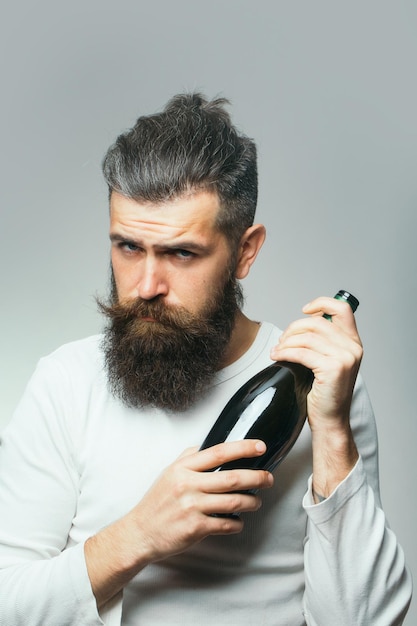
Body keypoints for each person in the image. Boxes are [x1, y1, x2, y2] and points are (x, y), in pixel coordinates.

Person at [0, 93, 412, 626]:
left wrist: (331, 433)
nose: (146, 286)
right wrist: (139, 535)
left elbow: (367, 621)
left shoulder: (323, 388)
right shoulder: (66, 383)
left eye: (181, 253)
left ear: (246, 250)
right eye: (127, 247)